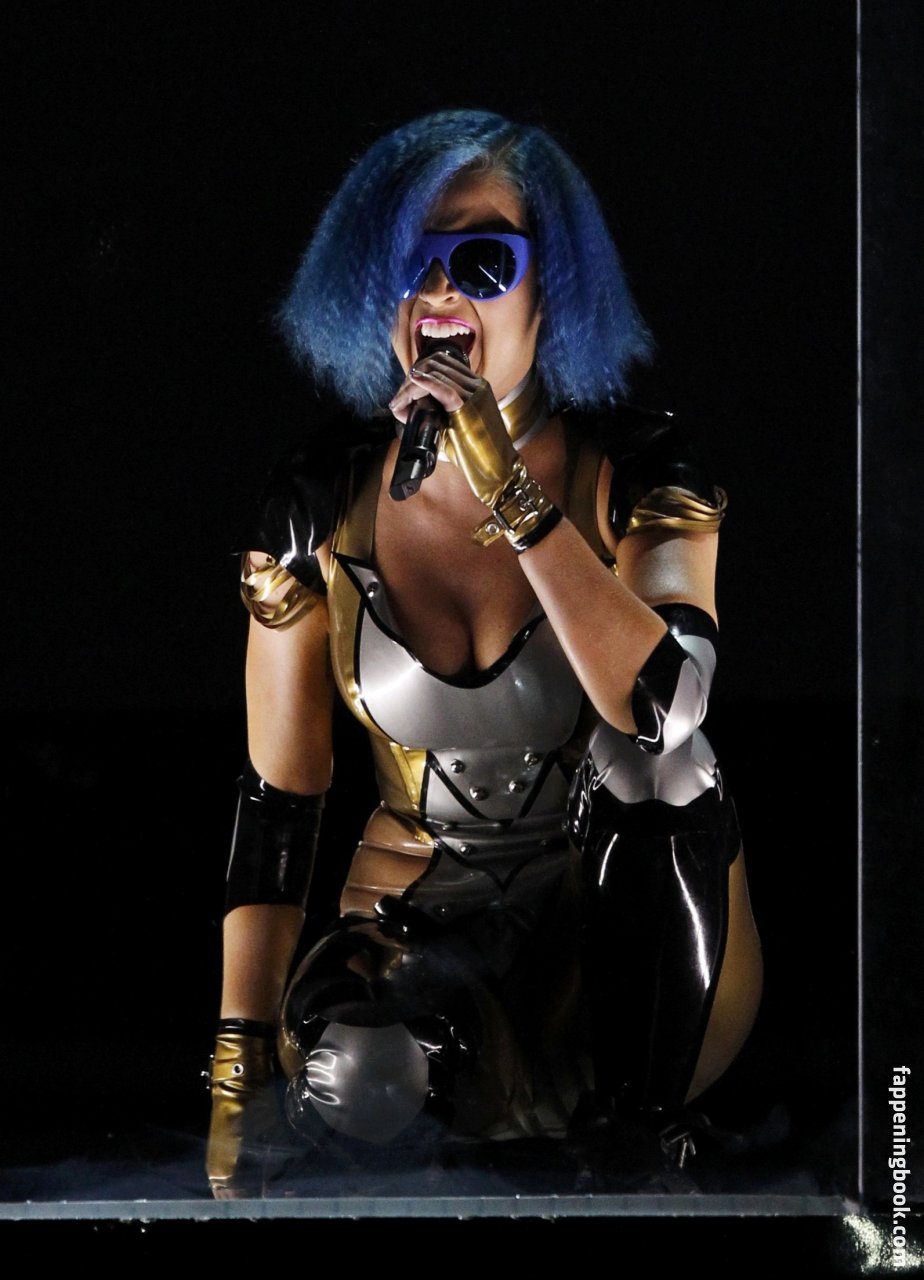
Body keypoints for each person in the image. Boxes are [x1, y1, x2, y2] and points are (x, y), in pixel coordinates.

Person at [205, 109, 763, 1198]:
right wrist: (237, 1072)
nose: (440, 293)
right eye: (409, 264)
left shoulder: (637, 470)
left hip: (633, 957)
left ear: (553, 290)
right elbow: (278, 803)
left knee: (658, 760)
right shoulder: (322, 503)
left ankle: (640, 1138)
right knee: (359, 1074)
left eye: (482, 262)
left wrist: (508, 487)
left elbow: (667, 705)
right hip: (418, 959)